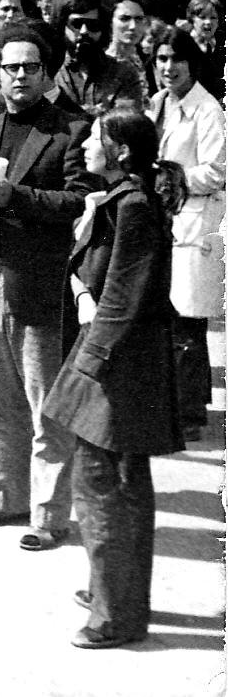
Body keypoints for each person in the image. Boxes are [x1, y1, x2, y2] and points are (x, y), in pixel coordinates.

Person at [42, 110, 188, 649]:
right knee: (112, 484)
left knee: (105, 488)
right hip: (116, 360)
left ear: (122, 153)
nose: (85, 146)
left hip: (118, 366)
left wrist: (88, 365)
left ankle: (117, 615)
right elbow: (99, 276)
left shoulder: (134, 207)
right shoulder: (119, 201)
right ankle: (115, 593)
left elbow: (125, 295)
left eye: (96, 139)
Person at [0, 22, 90, 549]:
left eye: (29, 67)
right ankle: (6, 494)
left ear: (47, 72)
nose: (18, 76)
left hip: (38, 285)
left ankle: (49, 514)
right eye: (9, 66)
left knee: (45, 406)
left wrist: (18, 197)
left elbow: (80, 200)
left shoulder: (69, 129)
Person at [148, 32, 225, 442]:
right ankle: (173, 403)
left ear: (192, 63)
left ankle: (192, 412)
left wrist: (174, 178)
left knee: (189, 321)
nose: (168, 66)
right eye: (161, 58)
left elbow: (216, 170)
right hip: (163, 220)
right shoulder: (160, 102)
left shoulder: (208, 109)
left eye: (176, 58)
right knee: (167, 315)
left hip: (194, 221)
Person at [53, 0, 145, 116]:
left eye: (93, 25)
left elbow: (126, 121)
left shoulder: (123, 73)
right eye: (77, 24)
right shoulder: (50, 71)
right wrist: (98, 111)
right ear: (63, 27)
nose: (84, 31)